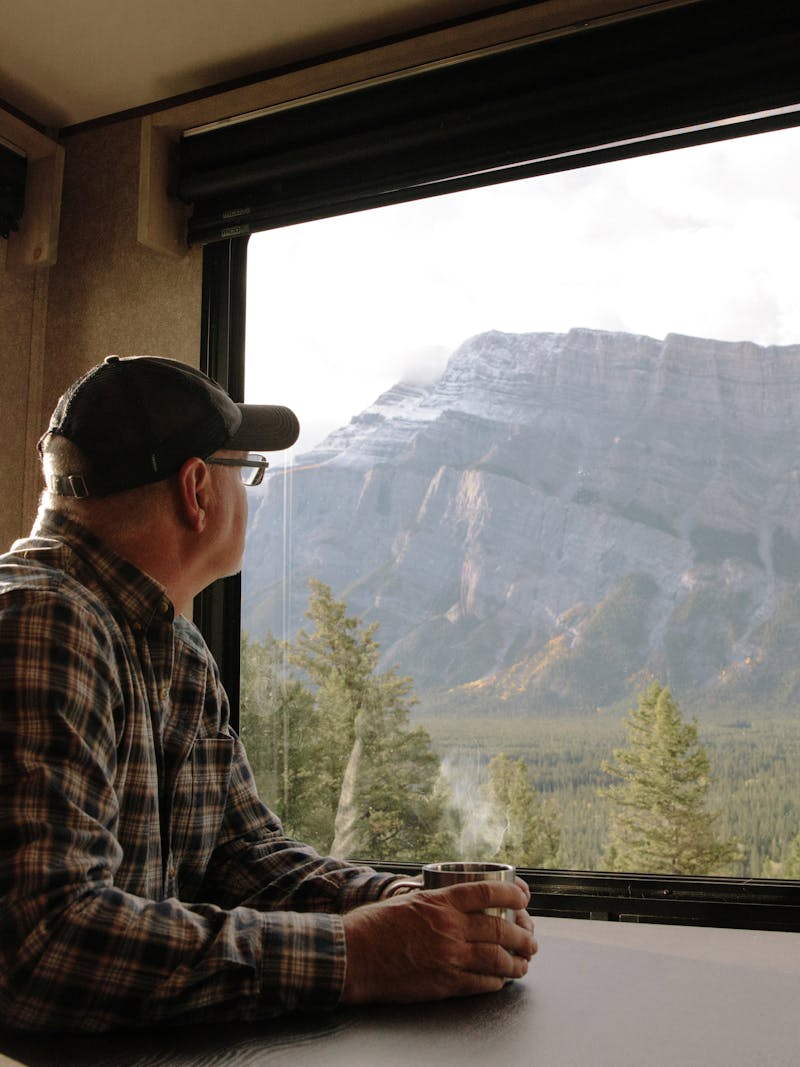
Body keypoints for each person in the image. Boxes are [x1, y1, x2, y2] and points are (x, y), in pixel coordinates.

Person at [0, 355, 536, 1033]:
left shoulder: (175, 647)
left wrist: (408, 902)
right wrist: (358, 954)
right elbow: (43, 944)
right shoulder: (43, 623)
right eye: (247, 470)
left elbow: (245, 857)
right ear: (197, 490)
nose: (252, 496)